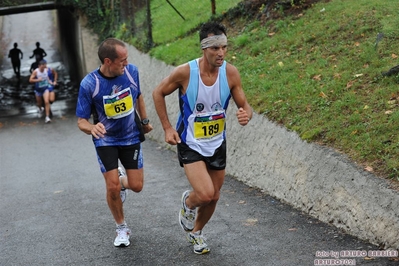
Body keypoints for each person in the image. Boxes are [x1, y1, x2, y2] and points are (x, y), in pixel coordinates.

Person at [152, 21, 252, 254]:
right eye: (215, 48)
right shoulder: (185, 72)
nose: (221, 53)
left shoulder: (230, 73)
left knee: (214, 197)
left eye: (224, 47)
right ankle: (188, 202)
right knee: (205, 194)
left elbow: (245, 104)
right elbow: (158, 92)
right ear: (204, 48)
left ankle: (196, 232)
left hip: (217, 143)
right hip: (191, 142)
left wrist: (246, 113)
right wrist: (167, 128)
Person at [76, 38, 153, 247]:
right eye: (122, 60)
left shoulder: (131, 72)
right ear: (108, 61)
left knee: (136, 186)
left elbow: (139, 97)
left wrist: (145, 121)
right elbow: (81, 121)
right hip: (105, 140)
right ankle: (121, 227)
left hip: (130, 137)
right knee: (111, 187)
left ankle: (121, 181)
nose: (126, 63)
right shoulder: (90, 83)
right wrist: (92, 128)